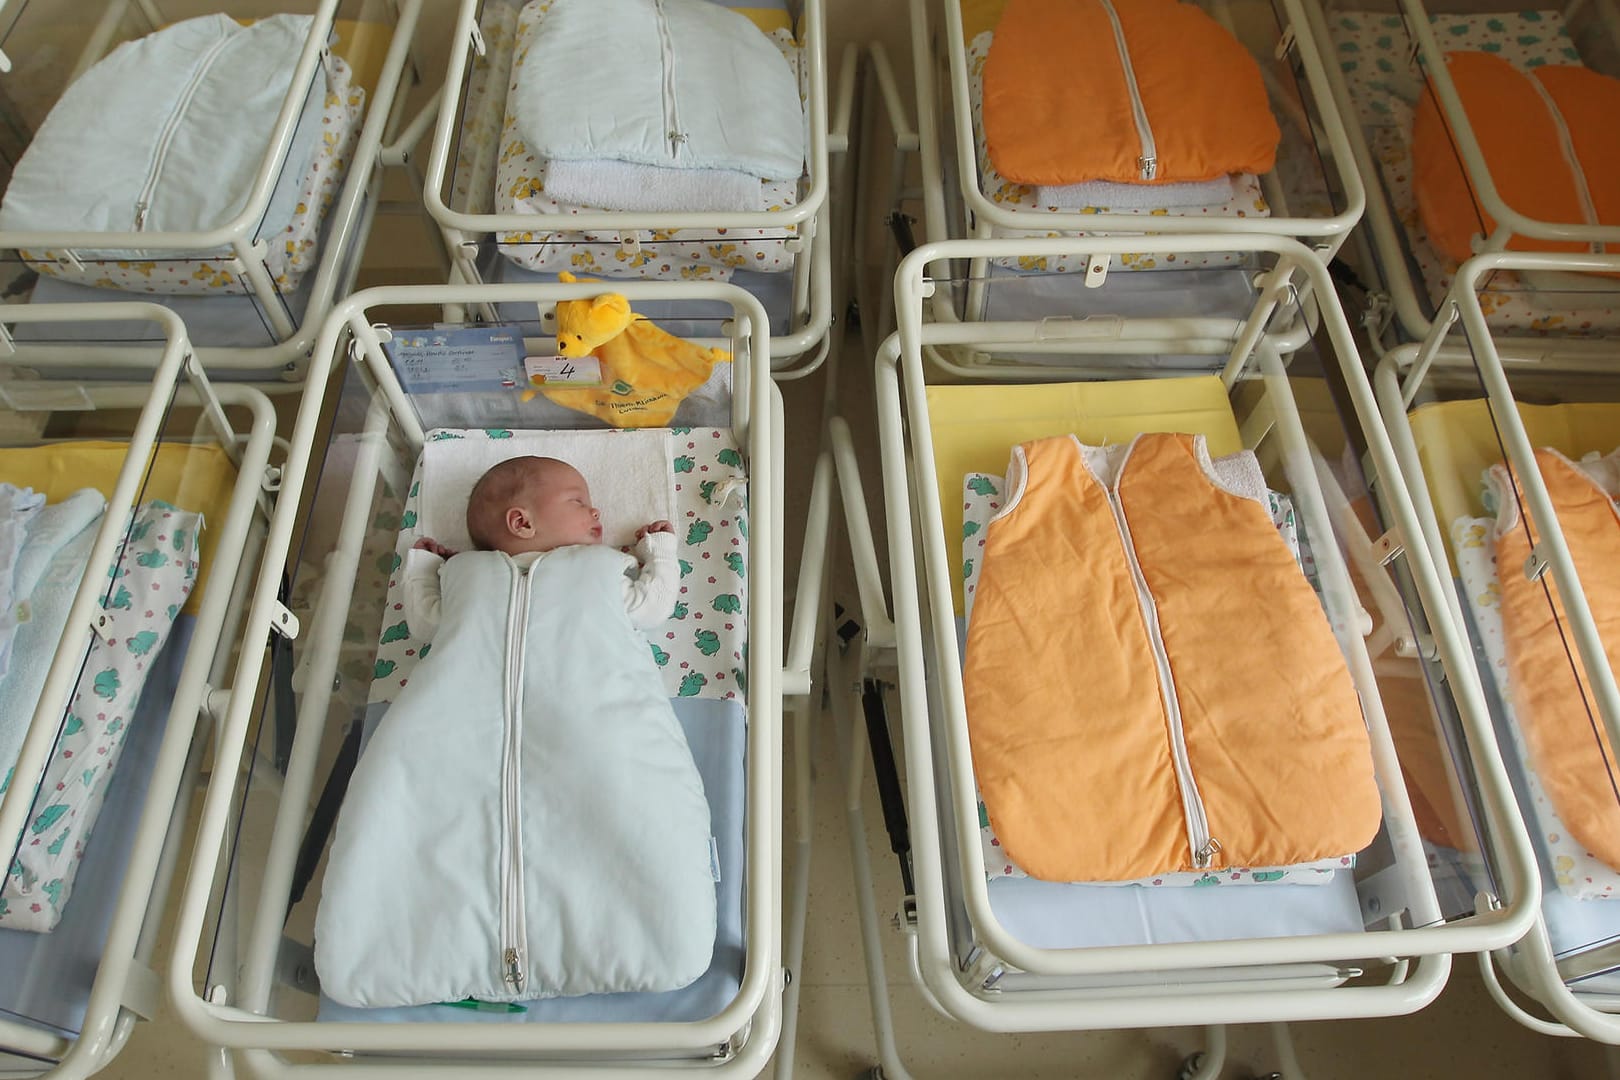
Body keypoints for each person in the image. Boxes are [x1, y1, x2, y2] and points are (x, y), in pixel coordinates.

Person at [404, 455, 676, 638]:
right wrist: (426, 568)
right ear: (522, 522)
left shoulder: (596, 569)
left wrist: (657, 551)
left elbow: (652, 610)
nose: (596, 511)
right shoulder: (468, 575)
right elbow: (425, 626)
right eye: (578, 502)